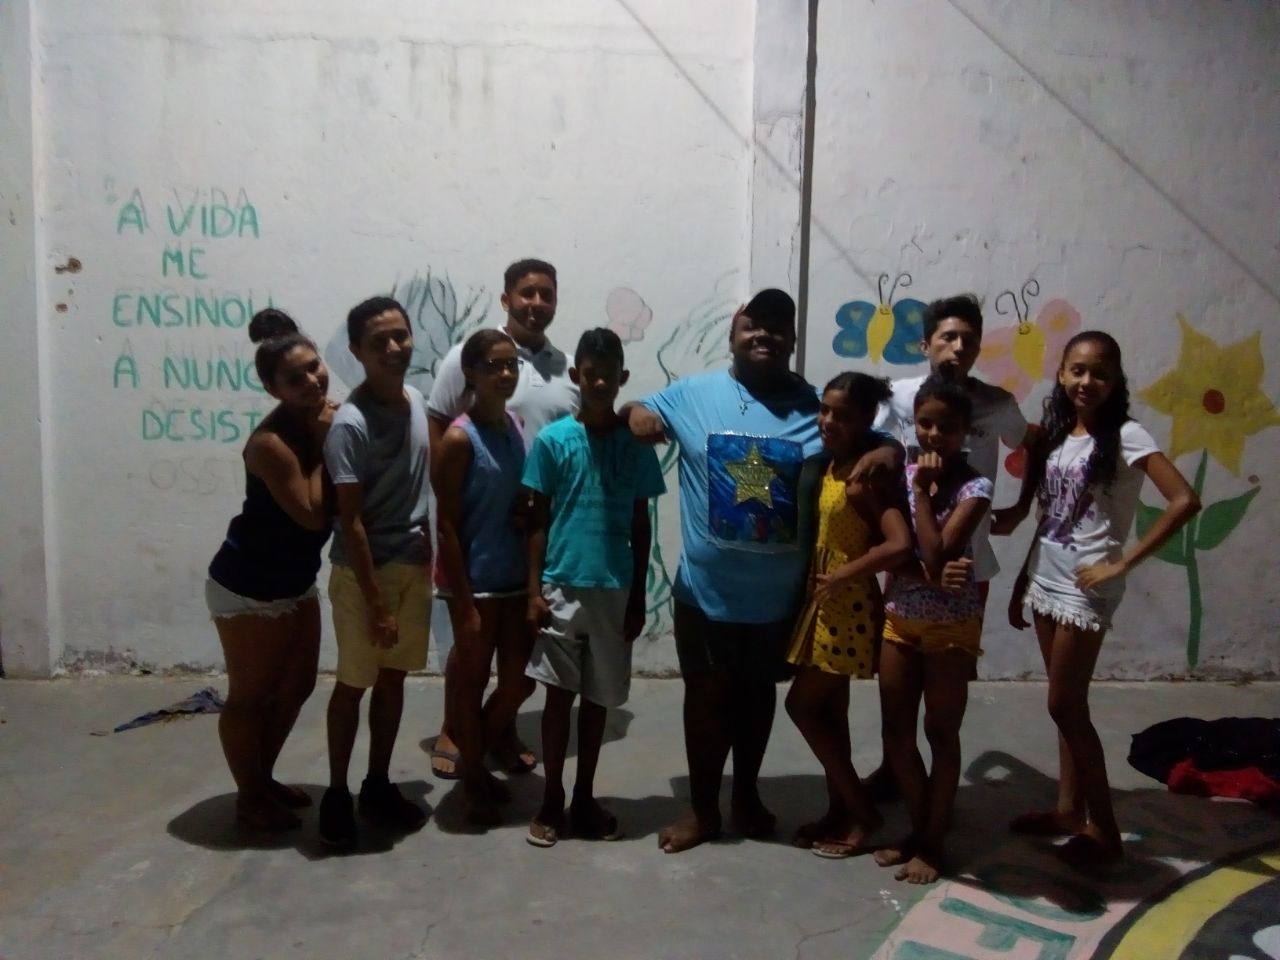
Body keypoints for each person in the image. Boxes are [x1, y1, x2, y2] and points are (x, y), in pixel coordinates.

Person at [627, 288, 901, 853]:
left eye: (778, 327)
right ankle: (704, 810)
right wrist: (636, 414)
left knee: (756, 699)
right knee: (705, 700)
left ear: (792, 340)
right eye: (754, 323)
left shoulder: (818, 407)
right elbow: (635, 407)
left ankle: (746, 796)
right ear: (734, 330)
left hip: (782, 599)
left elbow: (875, 437)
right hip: (704, 593)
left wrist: (889, 451)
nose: (764, 335)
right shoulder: (692, 394)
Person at [1001, 331, 1199, 866]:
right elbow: (1052, 516)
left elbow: (1184, 500)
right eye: (1078, 370)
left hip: (1086, 588)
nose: (1087, 381)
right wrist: (1022, 580)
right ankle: (1069, 811)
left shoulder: (1128, 435)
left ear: (1115, 381)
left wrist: (1122, 563)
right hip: (1046, 577)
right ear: (1062, 373)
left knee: (1064, 705)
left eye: (1100, 373)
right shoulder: (1060, 436)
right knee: (1068, 707)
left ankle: (1104, 830)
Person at [855, 293, 1037, 798]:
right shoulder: (899, 396)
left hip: (964, 570)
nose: (958, 348)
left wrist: (1021, 507)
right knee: (897, 689)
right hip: (908, 565)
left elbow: (1034, 443)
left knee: (943, 697)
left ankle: (937, 798)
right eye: (948, 337)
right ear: (925, 344)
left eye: (968, 340)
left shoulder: (996, 404)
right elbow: (874, 444)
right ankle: (896, 770)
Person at [427, 258, 579, 779]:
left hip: (529, 543)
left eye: (546, 294)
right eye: (527, 292)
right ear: (507, 298)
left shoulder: (564, 369)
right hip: (477, 540)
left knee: (520, 666)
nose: (537, 303)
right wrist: (453, 492)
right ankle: (456, 731)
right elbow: (439, 423)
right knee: (471, 655)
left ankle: (497, 733)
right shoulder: (464, 357)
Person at [522, 329, 667, 847]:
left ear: (622, 377)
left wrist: (638, 598)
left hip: (613, 588)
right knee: (557, 698)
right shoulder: (552, 441)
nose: (600, 383)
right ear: (576, 376)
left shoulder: (636, 447)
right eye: (591, 374)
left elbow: (641, 525)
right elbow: (537, 521)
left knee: (598, 699)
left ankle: (584, 796)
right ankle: (552, 797)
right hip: (561, 587)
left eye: (609, 374)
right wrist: (534, 591)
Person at [206, 309, 335, 830]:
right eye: (295, 378)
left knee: (298, 685)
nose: (312, 381)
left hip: (295, 579)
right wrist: (327, 441)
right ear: (272, 388)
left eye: (314, 367)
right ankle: (250, 797)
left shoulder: (322, 418)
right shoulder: (270, 444)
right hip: (248, 584)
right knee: (250, 696)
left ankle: (261, 778)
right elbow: (311, 515)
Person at [784, 373, 913, 859]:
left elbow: (898, 545)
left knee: (800, 706)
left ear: (866, 419)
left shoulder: (865, 476)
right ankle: (838, 810)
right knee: (830, 716)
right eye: (825, 410)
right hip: (825, 605)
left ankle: (863, 812)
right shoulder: (833, 465)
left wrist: (844, 574)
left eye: (842, 415)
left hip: (848, 608)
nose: (828, 421)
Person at [319, 296, 433, 847]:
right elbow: (351, 521)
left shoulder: (416, 400)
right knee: (353, 684)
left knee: (393, 680)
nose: (393, 347)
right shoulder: (350, 424)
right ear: (357, 351)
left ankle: (377, 784)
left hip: (412, 567)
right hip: (365, 577)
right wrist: (376, 604)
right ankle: (336, 795)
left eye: (400, 335)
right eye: (378, 341)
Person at [873, 377, 993, 884]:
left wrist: (921, 493)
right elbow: (897, 551)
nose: (934, 434)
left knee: (940, 733)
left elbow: (938, 551)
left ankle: (933, 842)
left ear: (966, 431)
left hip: (951, 629)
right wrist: (925, 570)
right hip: (899, 620)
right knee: (896, 734)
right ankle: (920, 828)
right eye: (925, 423)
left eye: (948, 426)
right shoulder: (897, 474)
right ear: (913, 424)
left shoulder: (975, 488)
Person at [432, 329, 531, 826]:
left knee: (519, 682)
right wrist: (464, 602)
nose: (506, 373)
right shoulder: (458, 438)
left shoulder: (514, 425)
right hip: (476, 581)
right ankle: (473, 780)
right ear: (470, 372)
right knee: (471, 684)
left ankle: (481, 751)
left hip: (516, 578)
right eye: (494, 365)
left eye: (512, 364)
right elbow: (445, 524)